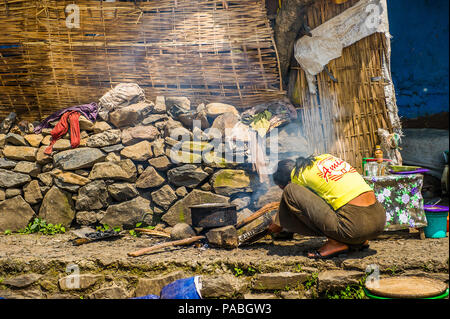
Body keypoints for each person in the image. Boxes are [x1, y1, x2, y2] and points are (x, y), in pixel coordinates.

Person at [269, 154, 386, 259]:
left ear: (287, 181)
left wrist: (279, 222)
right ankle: (359, 241)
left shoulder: (297, 177)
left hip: (355, 227)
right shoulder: (325, 158)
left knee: (290, 191)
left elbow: (307, 209)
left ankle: (336, 243)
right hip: (379, 220)